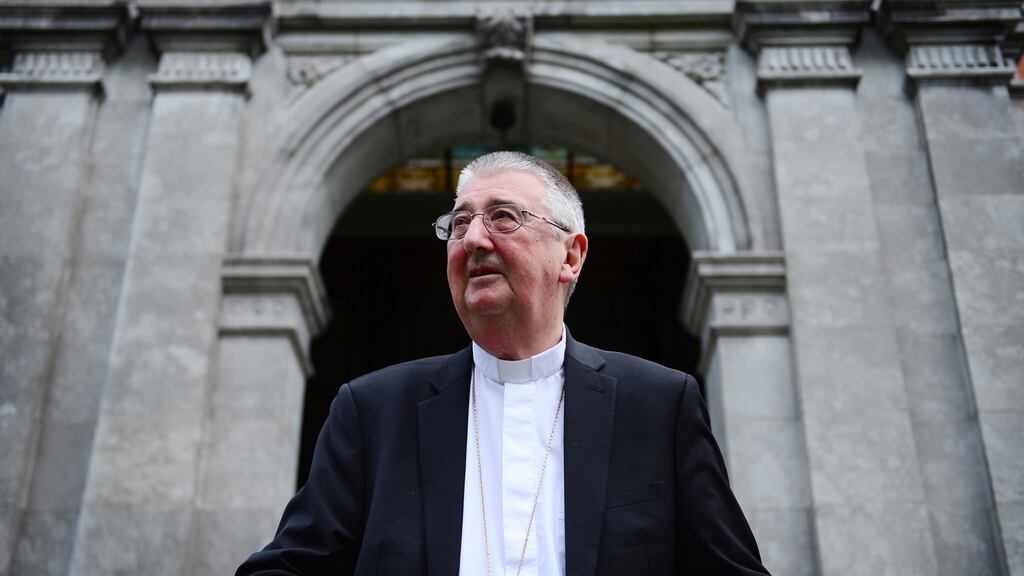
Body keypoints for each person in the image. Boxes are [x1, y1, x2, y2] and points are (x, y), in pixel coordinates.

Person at [237, 151, 769, 575]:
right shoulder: (373, 412)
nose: (472, 239)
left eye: (503, 217)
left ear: (571, 256)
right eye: (459, 222)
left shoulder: (658, 404)